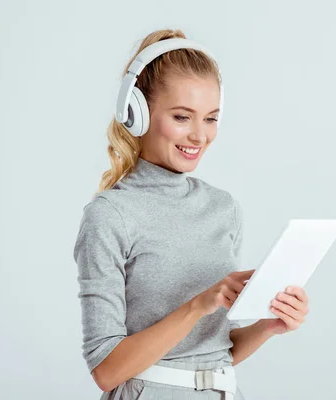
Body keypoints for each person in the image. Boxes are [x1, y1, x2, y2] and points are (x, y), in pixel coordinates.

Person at [72, 29, 310, 400]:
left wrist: (268, 325)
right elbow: (106, 370)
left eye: (211, 118)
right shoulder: (110, 215)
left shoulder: (224, 209)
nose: (199, 136)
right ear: (135, 113)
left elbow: (213, 350)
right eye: (183, 117)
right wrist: (201, 302)